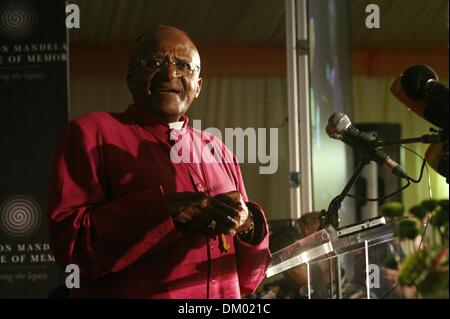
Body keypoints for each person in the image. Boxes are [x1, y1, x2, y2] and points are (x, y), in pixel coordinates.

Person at [47, 25, 271, 299]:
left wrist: (248, 225)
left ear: (198, 86)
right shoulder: (90, 133)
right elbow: (72, 248)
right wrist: (166, 211)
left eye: (185, 65)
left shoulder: (218, 150)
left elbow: (248, 280)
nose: (170, 73)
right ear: (130, 79)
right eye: (154, 62)